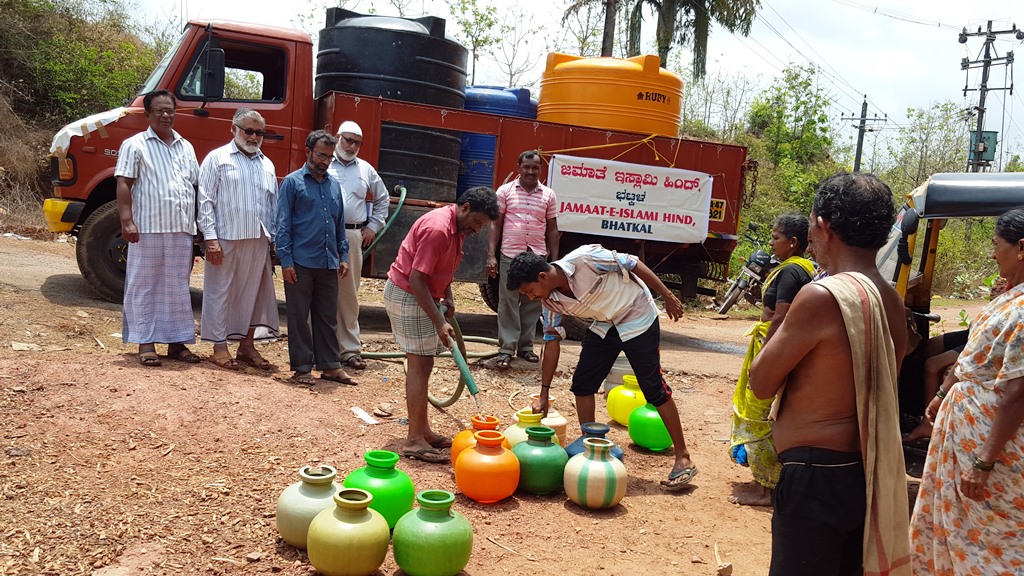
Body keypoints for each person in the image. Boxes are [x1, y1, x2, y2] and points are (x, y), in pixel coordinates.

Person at [749, 172, 910, 576]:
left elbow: (761, 382)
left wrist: (774, 328)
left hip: (814, 479)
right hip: (863, 473)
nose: (810, 242)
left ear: (824, 226)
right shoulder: (891, 302)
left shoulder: (822, 295)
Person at [505, 245, 698, 489]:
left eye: (530, 291)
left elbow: (633, 263)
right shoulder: (550, 302)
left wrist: (667, 296)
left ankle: (683, 457)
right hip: (606, 323)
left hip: (637, 314)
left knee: (653, 388)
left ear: (543, 276)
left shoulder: (586, 259)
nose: (531, 298)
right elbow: (552, 342)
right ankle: (590, 445)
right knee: (582, 384)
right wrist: (544, 393)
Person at [910, 208, 1024, 575]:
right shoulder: (1011, 296)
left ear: (1021, 248)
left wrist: (984, 461)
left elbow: (1018, 391)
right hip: (966, 437)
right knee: (960, 527)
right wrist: (943, 394)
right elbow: (973, 357)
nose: (993, 253)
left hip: (995, 451)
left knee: (992, 537)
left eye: (997, 244)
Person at [384, 186, 499, 463]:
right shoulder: (438, 229)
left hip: (421, 295)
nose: (478, 229)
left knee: (424, 364)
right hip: (409, 294)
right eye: (477, 222)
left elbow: (441, 269)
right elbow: (417, 279)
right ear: (465, 207)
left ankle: (423, 431)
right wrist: (439, 322)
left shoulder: (457, 228)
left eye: (483, 226)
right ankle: (414, 441)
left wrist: (448, 296)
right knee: (419, 364)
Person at [728, 213, 815, 506]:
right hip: (776, 346)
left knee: (761, 412)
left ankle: (765, 488)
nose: (771, 242)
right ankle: (763, 481)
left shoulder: (791, 272)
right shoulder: (800, 270)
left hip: (773, 346)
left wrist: (767, 356)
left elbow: (781, 317)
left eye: (776, 237)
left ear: (792, 242)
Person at [114, 89, 202, 367]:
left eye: (170, 110)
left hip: (181, 229)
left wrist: (198, 224)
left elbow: (194, 186)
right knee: (145, 285)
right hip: (147, 228)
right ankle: (146, 342)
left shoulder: (185, 146)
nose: (166, 115)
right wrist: (127, 221)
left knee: (177, 287)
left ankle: (177, 343)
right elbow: (124, 183)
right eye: (160, 110)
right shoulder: (135, 145)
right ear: (148, 114)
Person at [197, 108, 280, 371]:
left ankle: (246, 346)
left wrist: (275, 240)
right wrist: (210, 238)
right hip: (225, 238)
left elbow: (273, 205)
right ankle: (219, 348)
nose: (254, 137)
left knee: (254, 294)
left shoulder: (267, 164)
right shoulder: (217, 158)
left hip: (258, 238)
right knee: (220, 292)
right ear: (233, 129)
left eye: (259, 132)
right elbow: (205, 200)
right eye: (249, 131)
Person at [275, 130, 355, 386]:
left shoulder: (333, 185)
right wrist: (286, 261)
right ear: (308, 152)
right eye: (321, 155)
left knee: (327, 316)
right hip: (300, 262)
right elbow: (282, 225)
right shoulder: (292, 183)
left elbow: (339, 224)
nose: (325, 161)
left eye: (330, 157)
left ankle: (330, 366)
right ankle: (302, 368)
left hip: (328, 262)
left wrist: (343, 255)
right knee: (299, 317)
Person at [486, 150, 559, 369]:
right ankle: (506, 349)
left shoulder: (549, 195)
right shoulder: (505, 191)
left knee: (533, 302)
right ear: (518, 168)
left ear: (540, 170)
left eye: (535, 167)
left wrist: (555, 262)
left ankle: (526, 348)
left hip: (537, 255)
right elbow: (495, 224)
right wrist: (491, 255)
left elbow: (553, 229)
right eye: (526, 167)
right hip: (510, 253)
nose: (530, 171)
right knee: (508, 300)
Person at [327, 120, 389, 372]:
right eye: (348, 140)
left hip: (351, 235)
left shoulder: (366, 169)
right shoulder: (323, 162)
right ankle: (317, 347)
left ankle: (349, 350)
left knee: (348, 294)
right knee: (318, 290)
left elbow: (383, 198)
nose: (351, 146)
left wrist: (373, 226)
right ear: (337, 137)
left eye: (357, 143)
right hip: (321, 235)